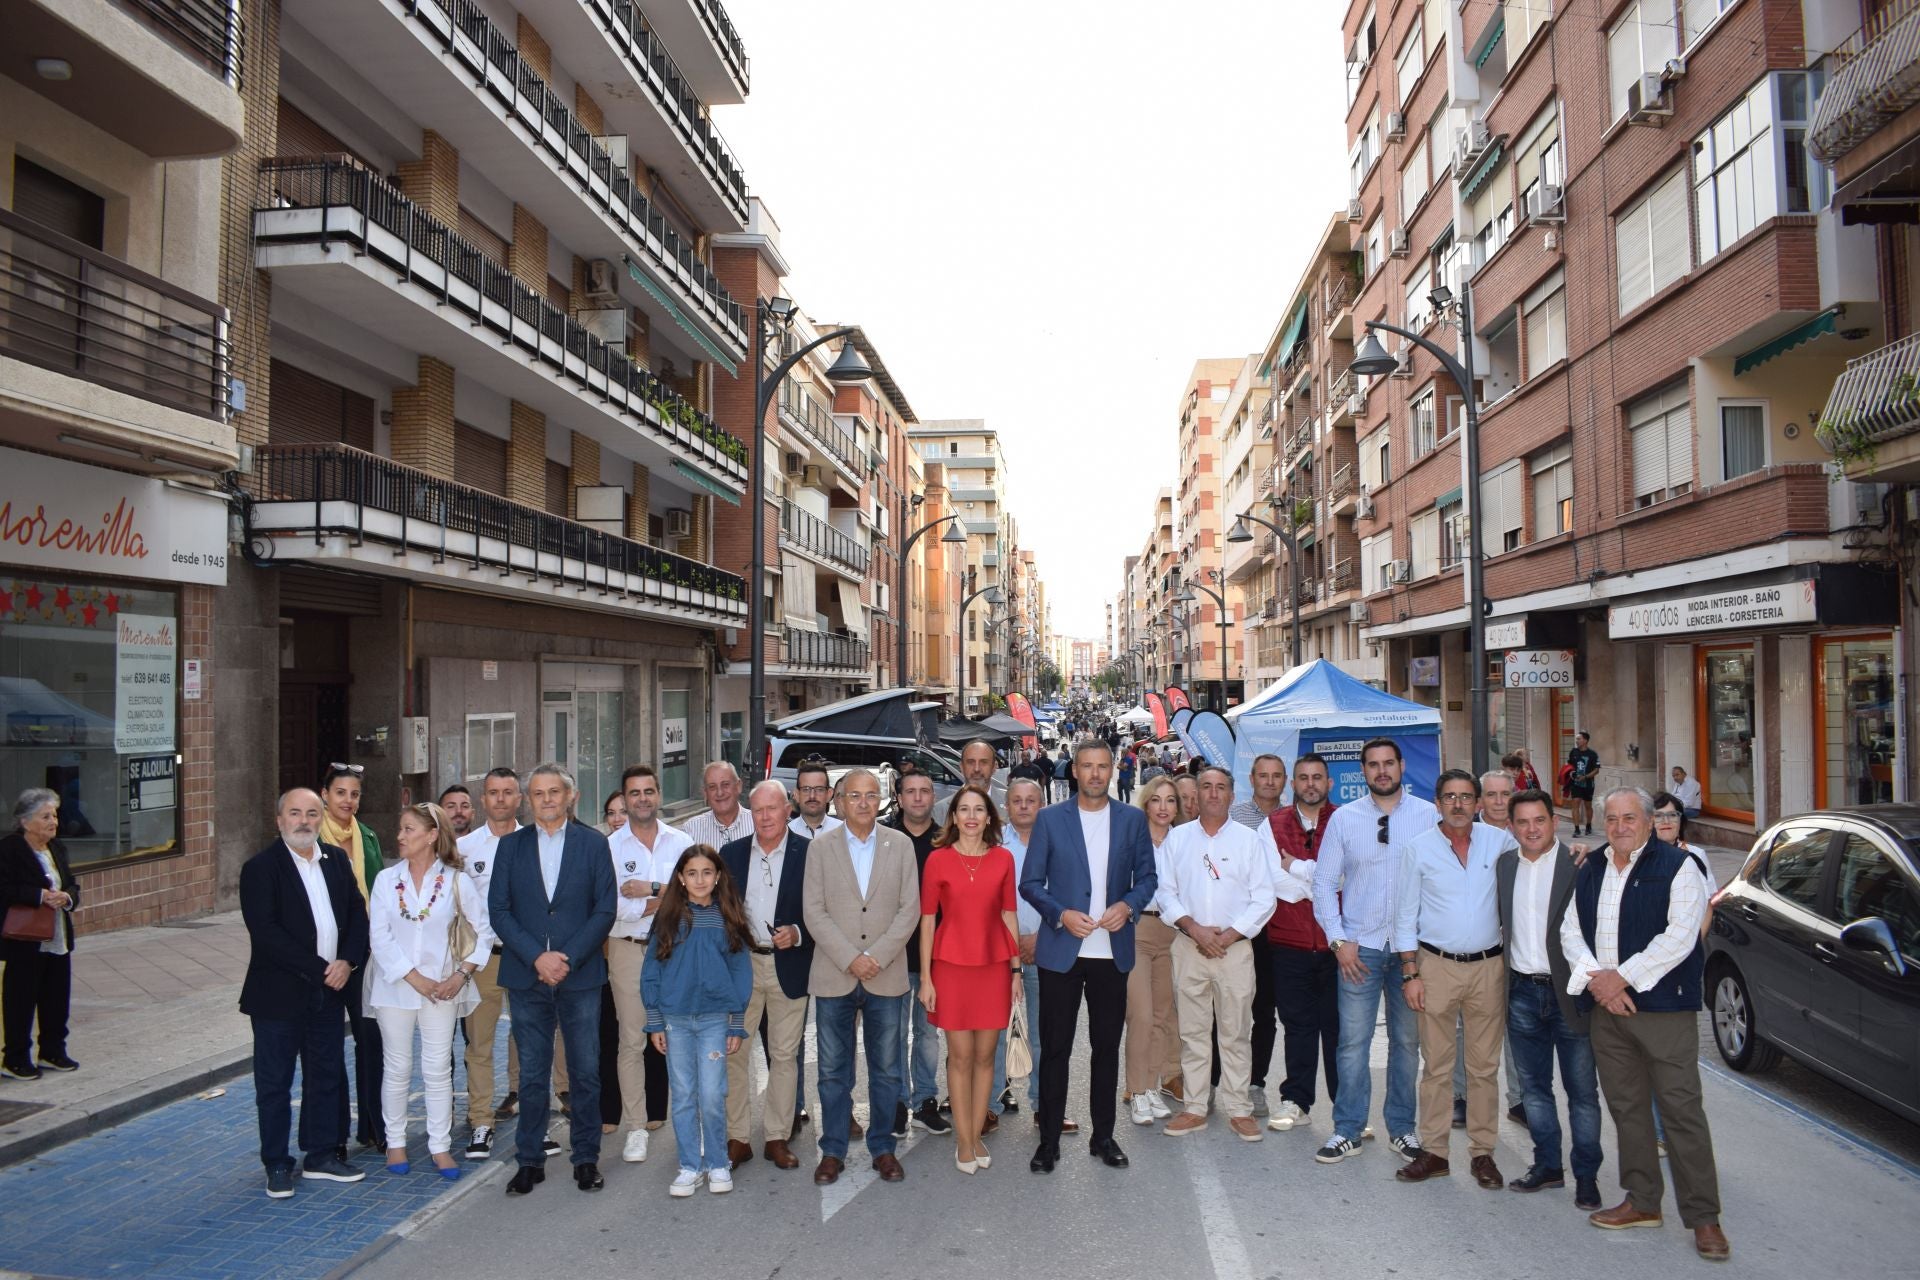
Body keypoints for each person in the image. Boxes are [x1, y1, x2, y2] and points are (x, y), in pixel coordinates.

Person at [1562, 787, 1728, 1262]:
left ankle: (1704, 1217)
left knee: (1681, 1112)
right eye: (1612, 818)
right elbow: (1571, 930)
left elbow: (1680, 936)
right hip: (1608, 1012)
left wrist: (1622, 978)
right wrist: (1598, 981)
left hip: (1663, 1011)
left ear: (1650, 821)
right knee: (1628, 1109)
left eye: (1629, 817)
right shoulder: (1593, 867)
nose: (1619, 827)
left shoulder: (1679, 867)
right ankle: (1642, 1201)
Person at [1019, 739, 1159, 1174]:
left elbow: (1147, 878)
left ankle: (1104, 1137)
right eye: (1087, 766)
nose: (1095, 774)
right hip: (1062, 949)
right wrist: (1060, 914)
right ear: (1074, 771)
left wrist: (1128, 907)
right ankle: (1048, 1142)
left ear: (1112, 769)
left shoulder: (1132, 820)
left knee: (1106, 1049)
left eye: (1102, 766)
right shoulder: (1049, 819)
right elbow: (1030, 883)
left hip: (1111, 952)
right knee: (1055, 1049)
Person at [488, 764, 617, 1196]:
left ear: (570, 796)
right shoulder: (510, 846)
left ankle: (586, 1158)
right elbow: (499, 910)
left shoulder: (594, 844)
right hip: (527, 977)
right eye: (538, 793)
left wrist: (568, 958)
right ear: (529, 799)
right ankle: (529, 1160)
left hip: (579, 976)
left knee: (585, 1072)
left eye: (554, 791)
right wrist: (536, 958)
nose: (546, 799)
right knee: (531, 1075)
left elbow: (605, 909)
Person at [239, 789, 369, 1198]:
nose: (304, 821)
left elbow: (357, 915)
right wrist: (322, 970)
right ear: (279, 820)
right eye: (295, 813)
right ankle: (277, 1163)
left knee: (325, 1075)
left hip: (329, 993)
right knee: (274, 1084)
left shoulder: (336, 861)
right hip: (278, 995)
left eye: (312, 813)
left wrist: (347, 961)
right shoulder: (260, 869)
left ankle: (321, 1155)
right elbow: (267, 933)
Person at [1392, 769, 1519, 1189]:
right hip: (1436, 966)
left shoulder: (1500, 842)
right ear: (1438, 803)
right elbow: (1404, 914)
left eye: (1466, 797)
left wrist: (1574, 852)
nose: (1458, 804)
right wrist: (1410, 972)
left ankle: (1483, 1154)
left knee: (1483, 1068)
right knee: (1437, 1066)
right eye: (1450, 797)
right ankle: (1435, 1152)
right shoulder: (1419, 848)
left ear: (1478, 803)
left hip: (1488, 968)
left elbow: (1538, 860)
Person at [1311, 737, 1433, 1166]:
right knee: (1352, 1044)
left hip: (1409, 952)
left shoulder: (1428, 816)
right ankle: (1348, 1130)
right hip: (1358, 950)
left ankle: (1402, 1129)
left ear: (1402, 766)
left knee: (1406, 1044)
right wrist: (1338, 941)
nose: (1382, 771)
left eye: (1388, 763)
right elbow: (1323, 883)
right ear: (1362, 771)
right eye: (1373, 764)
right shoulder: (1345, 819)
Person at [801, 768, 919, 1186]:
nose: (864, 802)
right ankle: (832, 1150)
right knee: (832, 1071)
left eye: (871, 794)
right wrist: (852, 958)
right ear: (839, 802)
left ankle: (883, 1148)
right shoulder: (821, 848)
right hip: (835, 974)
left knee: (886, 1070)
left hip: (886, 976)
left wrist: (877, 957)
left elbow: (909, 910)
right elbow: (813, 911)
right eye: (855, 795)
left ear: (881, 799)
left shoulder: (900, 845)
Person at [365, 802, 493, 1180]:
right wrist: (413, 977)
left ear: (432, 835)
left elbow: (484, 932)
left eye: (408, 829)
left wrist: (461, 975)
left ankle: (440, 1145)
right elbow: (380, 937)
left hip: (443, 988)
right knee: (397, 1067)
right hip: (395, 988)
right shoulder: (386, 880)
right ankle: (395, 1142)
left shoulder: (456, 881)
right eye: (401, 828)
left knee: (437, 1069)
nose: (400, 836)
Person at [1158, 768, 1275, 1142]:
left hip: (1234, 951)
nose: (1212, 793)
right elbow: (1165, 892)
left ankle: (1239, 1109)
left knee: (1236, 1032)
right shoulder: (1177, 839)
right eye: (1206, 787)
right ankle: (1194, 1107)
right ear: (1196, 794)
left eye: (1220, 787)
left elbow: (1264, 898)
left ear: (1231, 795)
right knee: (1193, 1033)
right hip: (1189, 946)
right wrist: (1194, 928)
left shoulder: (1249, 840)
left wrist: (1228, 936)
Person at [1499, 788, 1602, 1210]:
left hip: (1570, 994)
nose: (1532, 829)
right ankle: (1548, 1166)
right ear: (1511, 827)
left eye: (1539, 820)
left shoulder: (1581, 865)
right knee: (1534, 1091)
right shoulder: (1505, 866)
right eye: (1522, 822)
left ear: (1554, 822)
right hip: (1521, 993)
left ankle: (1587, 1175)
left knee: (1582, 1093)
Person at [919, 785, 1021, 1173]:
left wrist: (1016, 970)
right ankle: (963, 1140)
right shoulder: (938, 860)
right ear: (954, 817)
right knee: (960, 1056)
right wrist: (926, 978)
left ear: (989, 817)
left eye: (979, 810)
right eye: (964, 809)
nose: (972, 816)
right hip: (950, 967)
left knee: (985, 1057)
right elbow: (927, 921)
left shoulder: (1003, 858)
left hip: (994, 967)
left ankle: (976, 1133)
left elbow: (1009, 915)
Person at [643, 845, 754, 1197]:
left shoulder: (729, 917)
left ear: (718, 876)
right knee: (683, 1095)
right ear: (680, 878)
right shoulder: (667, 918)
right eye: (692, 873)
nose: (700, 880)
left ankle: (718, 1162)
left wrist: (736, 1022)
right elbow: (651, 971)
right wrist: (655, 1021)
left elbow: (740, 973)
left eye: (707, 872)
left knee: (712, 1094)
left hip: (714, 1022)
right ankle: (690, 1166)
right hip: (675, 1021)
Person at [718, 780, 813, 1171]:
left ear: (787, 810)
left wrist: (798, 933)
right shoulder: (731, 854)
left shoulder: (810, 853)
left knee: (784, 1055)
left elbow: (822, 910)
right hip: (742, 966)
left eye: (772, 808)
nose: (765, 817)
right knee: (734, 1053)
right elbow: (718, 912)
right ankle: (737, 1139)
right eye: (757, 810)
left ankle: (777, 1136)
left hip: (789, 965)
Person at [457, 768, 551, 1161]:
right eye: (493, 792)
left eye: (508, 792)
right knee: (479, 1044)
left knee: (531, 1042)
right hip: (483, 961)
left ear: (520, 799)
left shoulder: (538, 843)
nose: (500, 799)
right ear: (483, 800)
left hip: (527, 958)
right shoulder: (463, 849)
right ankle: (481, 1121)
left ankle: (534, 1123)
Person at [606, 764, 691, 1165]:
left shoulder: (681, 842)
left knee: (682, 1038)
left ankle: (689, 1125)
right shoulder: (610, 847)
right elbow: (612, 908)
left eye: (648, 791)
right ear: (625, 799)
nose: (642, 799)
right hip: (627, 949)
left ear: (659, 794)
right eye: (634, 793)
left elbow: (699, 892)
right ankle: (636, 1127)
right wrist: (667, 898)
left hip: (675, 949)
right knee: (631, 1041)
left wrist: (649, 890)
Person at [1255, 753, 1339, 1134]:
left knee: (1340, 1029)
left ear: (1329, 783)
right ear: (1294, 784)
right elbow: (1273, 882)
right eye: (1303, 778)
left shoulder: (1346, 821)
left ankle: (1347, 1108)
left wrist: (1298, 869)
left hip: (1338, 944)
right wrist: (1321, 882)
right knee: (1298, 1025)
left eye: (1317, 777)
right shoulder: (1271, 826)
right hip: (1288, 943)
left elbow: (1348, 877)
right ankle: (1296, 1100)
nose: (1310, 784)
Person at [317, 763, 385, 1156]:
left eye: (354, 794)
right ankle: (335, 1134)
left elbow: (378, 892)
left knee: (370, 1041)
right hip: (324, 959)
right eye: (340, 792)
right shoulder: (310, 839)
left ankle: (374, 1127)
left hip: (365, 953)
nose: (348, 800)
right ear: (324, 795)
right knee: (327, 1048)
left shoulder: (368, 837)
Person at [887, 770, 951, 1138]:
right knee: (894, 1034)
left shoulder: (946, 841)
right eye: (909, 791)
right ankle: (897, 1103)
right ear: (899, 798)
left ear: (933, 797)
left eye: (924, 791)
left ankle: (926, 1101)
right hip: (893, 955)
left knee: (927, 1034)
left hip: (934, 956)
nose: (917, 797)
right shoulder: (885, 838)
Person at [1, 789, 80, 1080]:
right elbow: (4, 889)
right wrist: (39, 895)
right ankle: (15, 1058)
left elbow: (72, 884)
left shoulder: (56, 848)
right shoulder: (10, 849)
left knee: (56, 997)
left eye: (54, 816)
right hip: (25, 939)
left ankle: (53, 1051)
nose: (53, 822)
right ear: (25, 821)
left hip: (57, 935)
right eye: (45, 816)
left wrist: (66, 897)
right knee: (20, 1000)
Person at [1226, 753, 1286, 1119]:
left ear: (1285, 781)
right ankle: (1215, 1080)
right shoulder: (1233, 818)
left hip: (1277, 929)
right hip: (1239, 927)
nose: (1269, 781)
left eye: (1276, 775)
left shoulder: (1291, 819)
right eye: (1263, 775)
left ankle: (1255, 1083)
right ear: (1252, 779)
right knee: (1228, 1009)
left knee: (1264, 1010)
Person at [1124, 775, 1183, 1125]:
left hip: (1172, 932)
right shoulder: (1132, 839)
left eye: (1170, 800)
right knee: (1142, 1016)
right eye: (1157, 800)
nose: (1163, 807)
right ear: (1146, 803)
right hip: (1137, 930)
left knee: (1162, 1015)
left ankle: (1151, 1088)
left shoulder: (1183, 841)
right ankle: (1136, 1090)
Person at [992, 778, 1050, 1126]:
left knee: (1044, 1035)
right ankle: (992, 1104)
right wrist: (1012, 943)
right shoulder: (994, 842)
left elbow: (1067, 893)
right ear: (1007, 806)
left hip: (1045, 947)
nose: (1024, 806)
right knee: (996, 1033)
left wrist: (1042, 936)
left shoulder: (1056, 841)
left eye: (1031, 800)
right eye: (1017, 800)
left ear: (1042, 805)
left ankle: (1044, 1105)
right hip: (1002, 951)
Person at [683, 762, 755, 851]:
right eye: (712, 787)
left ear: (738, 786)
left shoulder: (756, 823)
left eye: (725, 784)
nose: (720, 793)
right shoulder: (691, 830)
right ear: (705, 793)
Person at [937, 740, 1001, 822]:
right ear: (961, 767)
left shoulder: (1010, 805)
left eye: (983, 762)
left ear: (994, 767)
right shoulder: (940, 810)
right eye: (970, 762)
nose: (977, 769)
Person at [789, 759, 843, 840]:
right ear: (796, 795)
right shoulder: (786, 834)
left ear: (829, 794)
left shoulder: (843, 833)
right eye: (806, 789)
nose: (812, 796)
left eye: (819, 789)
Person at [1567, 732, 1601, 836]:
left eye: (1579, 739)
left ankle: (1588, 825)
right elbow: (1569, 765)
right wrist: (1571, 772)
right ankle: (1576, 829)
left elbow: (1596, 770)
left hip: (1588, 784)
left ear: (1585, 740)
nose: (1577, 741)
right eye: (1576, 739)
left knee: (1588, 805)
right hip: (1575, 783)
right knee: (1575, 803)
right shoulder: (1573, 752)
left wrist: (1585, 777)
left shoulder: (1592, 754)